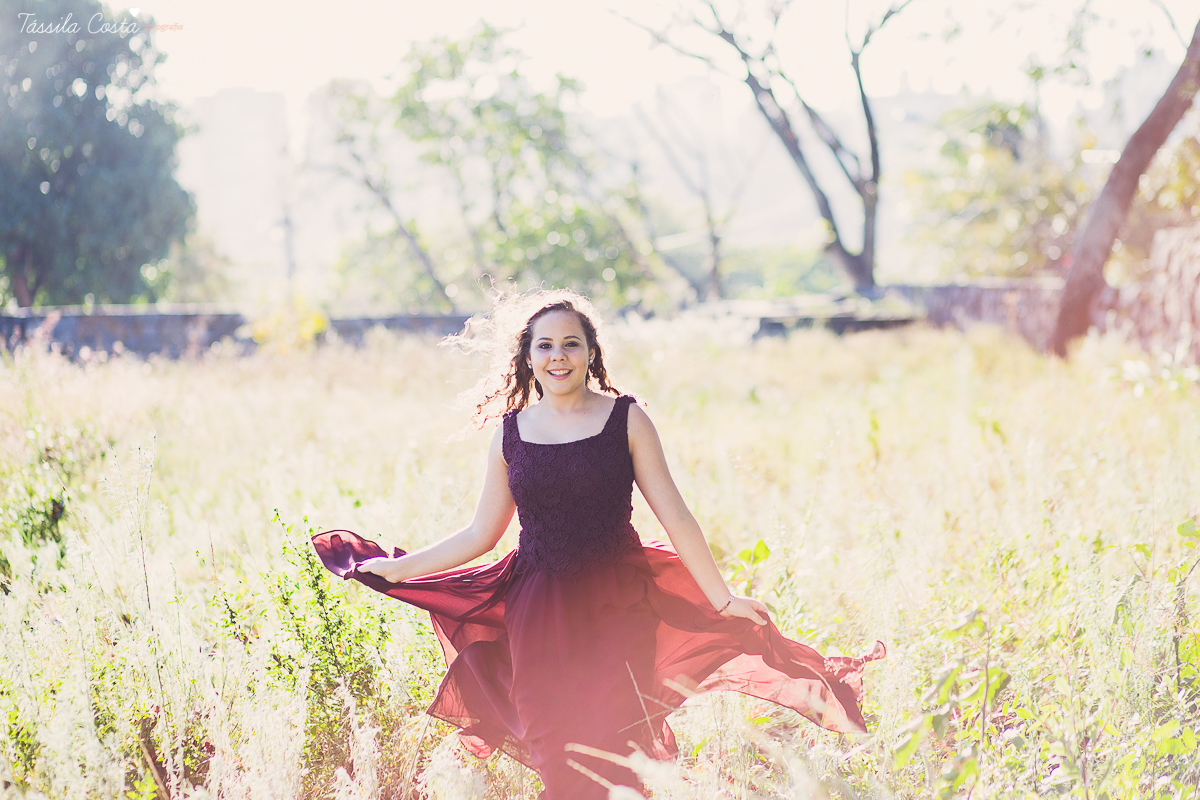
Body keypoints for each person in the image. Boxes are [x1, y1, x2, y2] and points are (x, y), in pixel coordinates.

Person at [311, 289, 884, 799]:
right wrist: (398, 569)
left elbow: (678, 517)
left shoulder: (626, 420)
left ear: (591, 351)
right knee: (556, 753)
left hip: (619, 608)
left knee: (614, 754)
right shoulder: (510, 434)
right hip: (539, 614)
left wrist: (723, 598)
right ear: (527, 357)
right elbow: (480, 534)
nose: (557, 356)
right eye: (544, 346)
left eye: (570, 344)